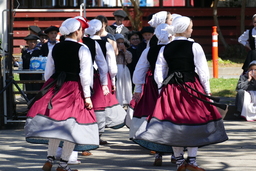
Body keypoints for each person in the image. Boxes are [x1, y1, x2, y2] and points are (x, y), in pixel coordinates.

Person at [133, 16, 228, 171]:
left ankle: (179, 162)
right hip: (191, 88)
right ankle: (191, 160)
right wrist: (207, 91)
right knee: (195, 123)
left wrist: (160, 90)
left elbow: (159, 73)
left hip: (171, 90)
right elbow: (203, 72)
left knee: (173, 125)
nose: (192, 30)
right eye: (191, 27)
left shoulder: (165, 48)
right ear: (184, 29)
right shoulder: (195, 46)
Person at [25, 18, 99, 171]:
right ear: (77, 31)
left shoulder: (55, 48)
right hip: (73, 89)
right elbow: (86, 75)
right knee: (71, 127)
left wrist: (50, 87)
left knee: (55, 124)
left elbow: (49, 72)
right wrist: (87, 96)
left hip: (55, 86)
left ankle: (49, 160)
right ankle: (63, 164)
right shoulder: (82, 48)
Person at [131, 23, 175, 166]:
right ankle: (175, 153)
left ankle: (158, 153)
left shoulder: (149, 50)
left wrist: (138, 88)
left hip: (152, 86)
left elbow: (140, 70)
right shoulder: (174, 48)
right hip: (172, 85)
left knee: (155, 116)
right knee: (172, 117)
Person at [85, 19, 127, 139]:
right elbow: (111, 66)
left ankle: (90, 133)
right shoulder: (106, 44)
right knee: (100, 106)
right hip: (101, 78)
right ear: (100, 29)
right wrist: (112, 81)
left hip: (86, 76)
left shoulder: (83, 43)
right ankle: (98, 134)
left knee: (88, 104)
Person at [19, 34, 42, 100]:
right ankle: (29, 105)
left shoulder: (39, 51)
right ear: (27, 43)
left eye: (34, 42)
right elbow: (22, 63)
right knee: (29, 91)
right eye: (31, 42)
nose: (33, 43)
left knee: (37, 91)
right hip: (27, 75)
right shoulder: (25, 52)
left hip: (37, 75)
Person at [114, 33, 133, 106]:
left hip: (124, 69)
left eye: (122, 42)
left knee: (126, 85)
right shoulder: (113, 52)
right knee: (118, 84)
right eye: (118, 42)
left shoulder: (127, 52)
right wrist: (117, 50)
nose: (120, 44)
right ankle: (118, 100)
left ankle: (126, 100)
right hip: (116, 69)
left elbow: (129, 61)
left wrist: (124, 50)